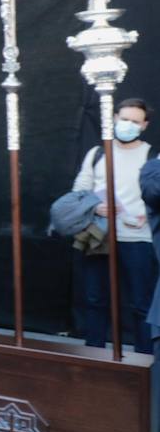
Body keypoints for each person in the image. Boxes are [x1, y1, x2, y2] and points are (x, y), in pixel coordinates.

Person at [73, 97, 155, 353]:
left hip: (138, 239)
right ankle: (93, 355)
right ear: (114, 118)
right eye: (124, 119)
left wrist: (147, 213)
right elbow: (79, 190)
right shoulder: (97, 153)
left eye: (135, 121)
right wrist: (94, 206)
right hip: (99, 236)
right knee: (95, 299)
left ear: (144, 125)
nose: (128, 125)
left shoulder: (153, 156)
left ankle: (145, 361)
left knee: (142, 303)